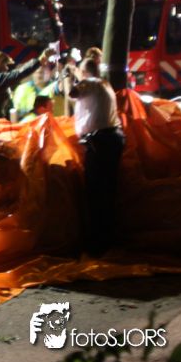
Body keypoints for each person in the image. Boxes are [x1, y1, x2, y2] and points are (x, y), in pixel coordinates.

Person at [69, 57, 125, 257]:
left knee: (95, 192)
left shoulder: (89, 83)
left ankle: (97, 243)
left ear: (84, 72)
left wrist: (68, 77)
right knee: (108, 191)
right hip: (113, 138)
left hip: (99, 141)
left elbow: (72, 93)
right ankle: (107, 239)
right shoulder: (103, 84)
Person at [0, 49, 52, 137]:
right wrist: (41, 60)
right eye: (4, 65)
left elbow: (5, 111)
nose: (6, 68)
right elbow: (19, 73)